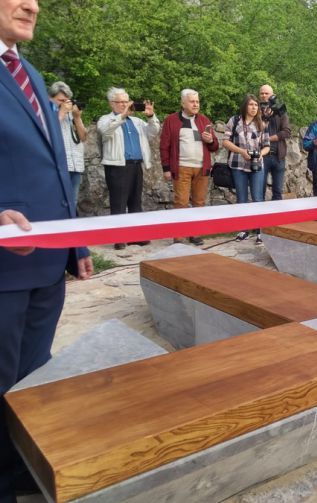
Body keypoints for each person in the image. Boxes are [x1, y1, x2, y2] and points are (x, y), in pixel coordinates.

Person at [0, 1, 93, 500]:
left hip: (47, 264)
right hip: (3, 266)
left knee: (32, 381)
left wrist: (74, 241)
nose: (32, 5)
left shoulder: (30, 73)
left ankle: (22, 476)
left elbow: (57, 166)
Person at [97, 87, 160, 250]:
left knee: (135, 202)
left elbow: (153, 132)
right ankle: (119, 238)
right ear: (112, 103)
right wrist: (122, 116)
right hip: (117, 166)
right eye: (121, 102)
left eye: (126, 101)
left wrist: (151, 116)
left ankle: (135, 236)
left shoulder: (136, 121)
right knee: (118, 203)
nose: (125, 105)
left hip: (136, 165)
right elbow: (105, 131)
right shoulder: (105, 119)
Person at [159, 88, 219, 246]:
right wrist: (166, 168)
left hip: (202, 168)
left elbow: (215, 147)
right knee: (181, 202)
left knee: (199, 203)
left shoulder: (204, 120)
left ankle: (195, 234)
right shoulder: (171, 120)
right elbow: (164, 146)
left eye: (197, 101)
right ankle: (179, 236)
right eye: (192, 101)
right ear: (183, 103)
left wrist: (210, 140)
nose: (196, 104)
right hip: (181, 167)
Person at [222, 94, 270, 244]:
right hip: (238, 164)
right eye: (251, 105)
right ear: (245, 106)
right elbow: (225, 142)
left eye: (256, 105)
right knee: (241, 198)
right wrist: (241, 151)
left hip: (256, 165)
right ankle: (243, 230)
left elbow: (267, 146)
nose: (254, 108)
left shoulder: (261, 123)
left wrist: (261, 154)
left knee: (257, 198)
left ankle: (260, 231)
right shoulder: (234, 120)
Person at [47, 81, 87, 204]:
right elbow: (48, 131)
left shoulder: (71, 114)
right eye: (61, 100)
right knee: (56, 202)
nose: (65, 104)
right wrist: (61, 113)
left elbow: (83, 137)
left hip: (75, 165)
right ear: (50, 98)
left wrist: (77, 117)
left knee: (72, 202)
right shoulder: (46, 113)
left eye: (67, 100)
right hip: (58, 165)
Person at [259, 84, 291, 200]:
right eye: (262, 93)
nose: (264, 95)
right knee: (259, 191)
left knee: (277, 192)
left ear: (273, 95)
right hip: (262, 156)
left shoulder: (280, 111)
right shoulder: (255, 111)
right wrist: (264, 116)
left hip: (278, 156)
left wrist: (268, 138)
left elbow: (287, 132)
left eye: (266, 93)